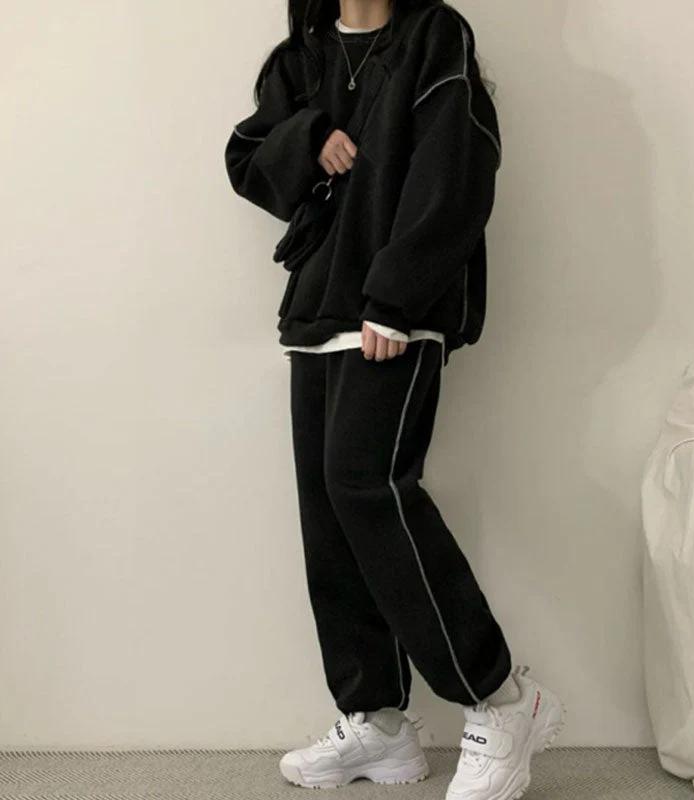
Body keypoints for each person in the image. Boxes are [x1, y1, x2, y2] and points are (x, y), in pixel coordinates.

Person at [224, 1, 565, 797]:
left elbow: (457, 168)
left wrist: (397, 296)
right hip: (317, 309)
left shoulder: (434, 36)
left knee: (367, 487)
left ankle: (501, 697)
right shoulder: (300, 57)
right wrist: (308, 137)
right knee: (329, 513)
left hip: (393, 313)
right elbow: (246, 155)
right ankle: (377, 721)